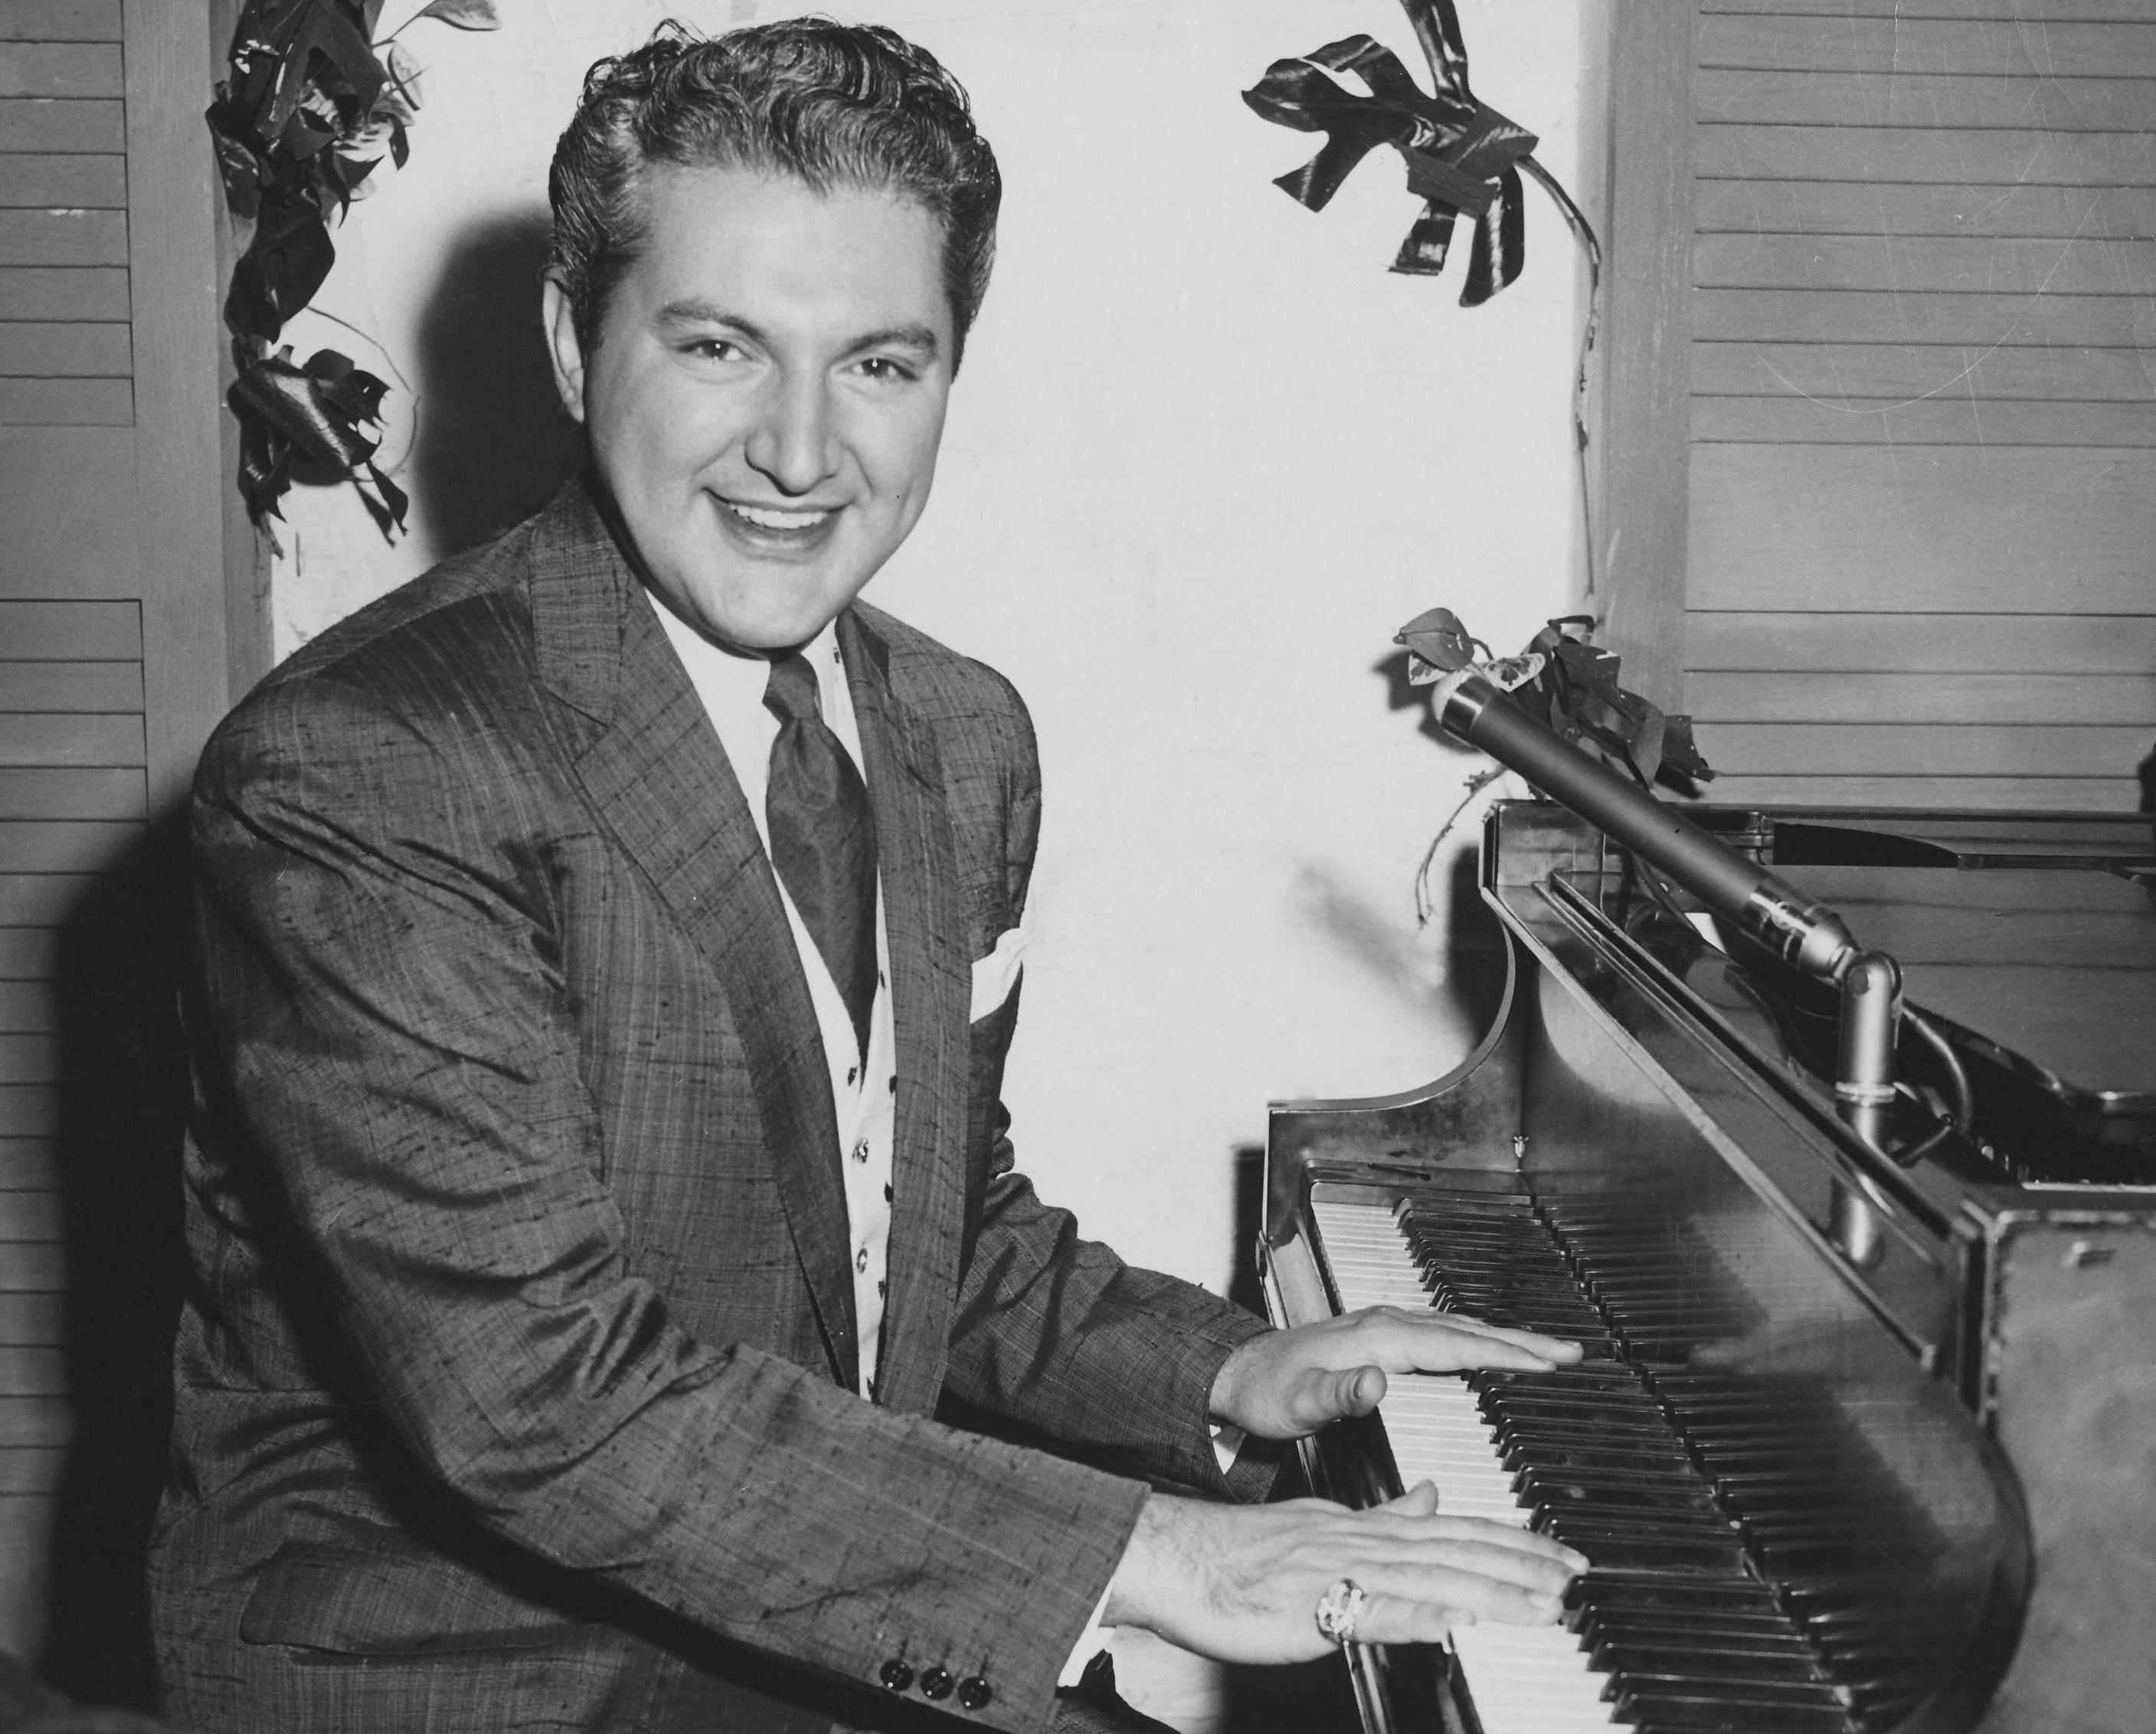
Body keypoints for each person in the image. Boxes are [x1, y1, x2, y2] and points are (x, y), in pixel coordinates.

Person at [148, 19, 1585, 1734]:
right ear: (570, 340)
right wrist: (1161, 1552)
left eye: (881, 364)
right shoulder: (366, 768)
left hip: (800, 1626)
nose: (801, 448)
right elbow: (537, 1399)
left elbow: (929, 1231)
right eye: (720, 346)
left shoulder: (959, 736)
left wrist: (1231, 1375)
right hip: (469, 1674)